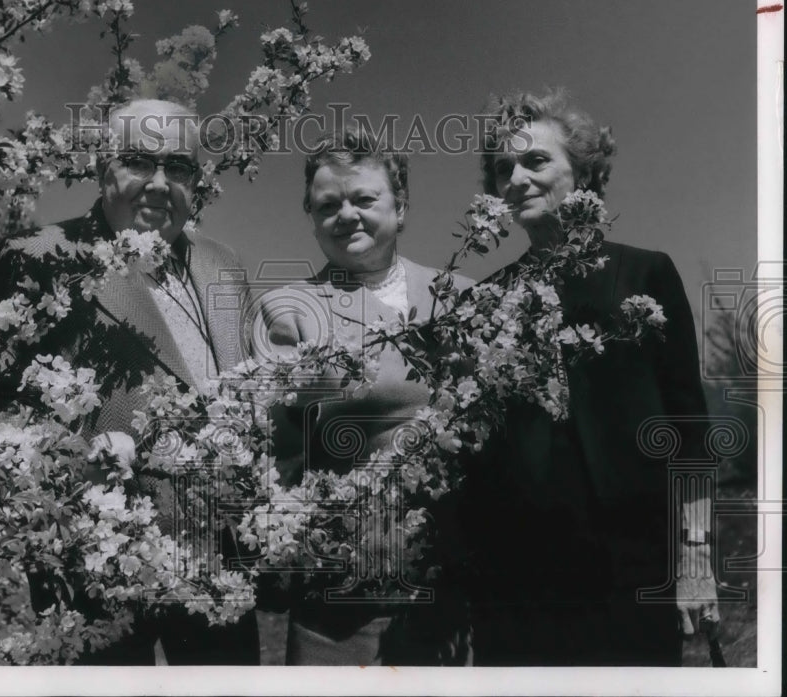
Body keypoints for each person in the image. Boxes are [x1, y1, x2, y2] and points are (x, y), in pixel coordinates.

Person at [0, 99, 260, 665]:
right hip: (100, 560)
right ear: (103, 168)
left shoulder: (223, 262)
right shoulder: (38, 257)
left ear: (196, 182)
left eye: (177, 167)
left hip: (217, 558)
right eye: (139, 162)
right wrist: (75, 457)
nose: (159, 185)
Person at [464, 88, 719, 666]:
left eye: (535, 160)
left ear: (582, 172)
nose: (517, 178)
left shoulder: (646, 273)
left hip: (631, 570)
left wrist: (696, 559)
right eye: (504, 168)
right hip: (518, 588)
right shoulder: (482, 302)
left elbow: (691, 432)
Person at [252, 125, 474, 666]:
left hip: (457, 589)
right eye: (328, 205)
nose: (346, 214)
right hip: (348, 596)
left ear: (401, 209)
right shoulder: (290, 310)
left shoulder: (467, 296)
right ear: (312, 220)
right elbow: (278, 449)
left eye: (364, 199)